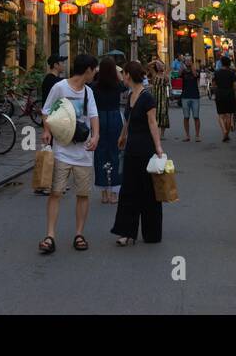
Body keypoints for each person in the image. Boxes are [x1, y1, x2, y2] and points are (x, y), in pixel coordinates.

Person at [39, 54, 100, 255]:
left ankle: (79, 234)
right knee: (56, 192)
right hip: (62, 150)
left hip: (83, 151)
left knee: (83, 194)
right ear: (88, 70)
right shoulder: (59, 87)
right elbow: (46, 110)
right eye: (94, 69)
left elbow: (93, 116)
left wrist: (96, 135)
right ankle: (50, 236)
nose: (95, 73)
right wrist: (46, 130)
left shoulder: (88, 92)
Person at [112, 60, 164, 245]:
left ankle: (151, 233)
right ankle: (127, 232)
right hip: (131, 148)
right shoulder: (130, 95)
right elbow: (128, 119)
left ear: (128, 75)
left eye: (123, 74)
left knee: (148, 192)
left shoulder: (146, 97)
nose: (122, 77)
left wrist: (158, 148)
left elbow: (152, 123)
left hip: (146, 149)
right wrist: (122, 135)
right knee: (128, 191)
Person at [92, 57, 124, 204]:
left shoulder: (94, 86)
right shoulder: (118, 85)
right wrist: (117, 71)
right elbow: (124, 81)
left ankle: (104, 192)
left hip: (99, 119)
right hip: (114, 117)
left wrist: (97, 72)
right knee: (115, 153)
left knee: (100, 154)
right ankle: (114, 192)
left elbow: (91, 81)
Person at [34, 55, 67, 196]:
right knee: (52, 150)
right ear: (55, 65)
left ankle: (55, 183)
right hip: (52, 119)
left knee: (55, 149)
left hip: (55, 118)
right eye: (61, 63)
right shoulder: (52, 81)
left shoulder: (54, 80)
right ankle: (47, 184)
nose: (63, 65)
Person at [212, 55, 236, 142]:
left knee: (220, 115)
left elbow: (213, 85)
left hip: (219, 94)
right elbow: (235, 86)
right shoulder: (231, 73)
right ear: (229, 64)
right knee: (228, 115)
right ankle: (226, 133)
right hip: (230, 94)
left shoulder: (217, 73)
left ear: (221, 63)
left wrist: (215, 91)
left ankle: (224, 131)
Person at [180, 61, 202, 142]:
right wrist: (182, 66)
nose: (188, 62)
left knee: (196, 116)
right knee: (186, 117)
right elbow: (178, 74)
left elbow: (196, 75)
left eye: (189, 60)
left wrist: (192, 66)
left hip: (195, 96)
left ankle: (197, 135)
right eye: (187, 60)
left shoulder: (196, 71)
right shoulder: (184, 72)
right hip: (185, 96)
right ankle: (187, 135)